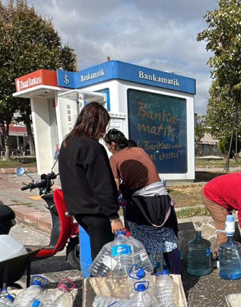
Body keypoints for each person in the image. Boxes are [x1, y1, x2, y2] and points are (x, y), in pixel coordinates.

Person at [105, 129, 182, 274]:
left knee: (140, 245)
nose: (109, 150)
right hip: (163, 200)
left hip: (144, 205)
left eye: (108, 146)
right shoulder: (139, 150)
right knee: (168, 242)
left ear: (113, 145)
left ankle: (145, 279)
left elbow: (115, 187)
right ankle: (177, 279)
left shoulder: (114, 158)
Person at [58, 102, 123, 260]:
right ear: (97, 124)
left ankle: (94, 283)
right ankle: (97, 285)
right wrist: (114, 217)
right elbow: (102, 185)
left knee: (98, 257)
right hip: (96, 213)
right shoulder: (92, 147)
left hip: (79, 210)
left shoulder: (68, 143)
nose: (102, 132)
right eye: (103, 126)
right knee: (103, 261)